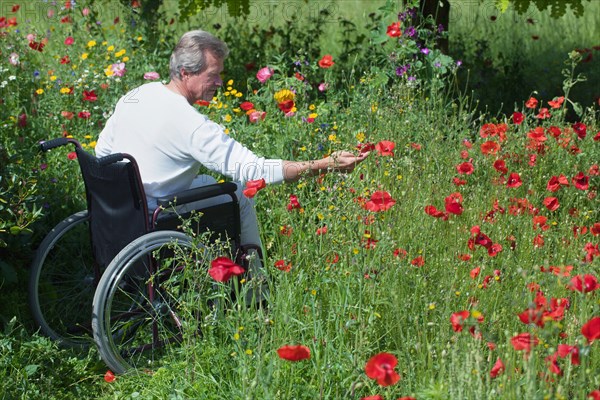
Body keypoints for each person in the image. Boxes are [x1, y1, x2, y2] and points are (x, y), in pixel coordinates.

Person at [95, 30, 369, 303]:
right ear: (186, 73)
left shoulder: (138, 94)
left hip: (120, 211)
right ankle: (255, 294)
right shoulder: (190, 125)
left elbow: (102, 151)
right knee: (237, 192)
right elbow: (254, 171)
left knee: (209, 184)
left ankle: (234, 274)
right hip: (157, 216)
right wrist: (323, 164)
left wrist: (137, 185)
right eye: (213, 74)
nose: (220, 82)